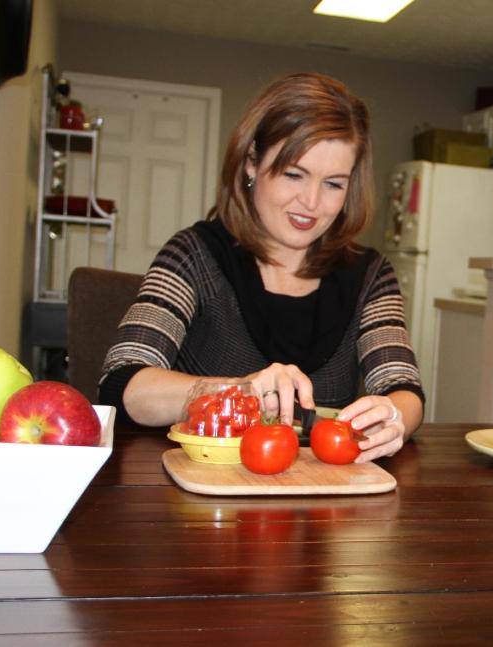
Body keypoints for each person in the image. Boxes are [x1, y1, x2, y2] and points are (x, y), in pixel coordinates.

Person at [99, 72, 424, 462]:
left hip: (320, 498)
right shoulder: (193, 254)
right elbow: (123, 381)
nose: (311, 202)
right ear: (251, 162)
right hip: (200, 499)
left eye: (334, 184)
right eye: (293, 174)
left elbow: (402, 388)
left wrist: (395, 417)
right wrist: (238, 392)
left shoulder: (371, 275)